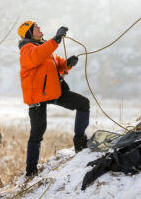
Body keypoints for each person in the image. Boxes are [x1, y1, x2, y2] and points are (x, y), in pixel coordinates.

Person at [17, 21, 90, 176]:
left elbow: (59, 65)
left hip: (52, 91)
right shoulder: (27, 49)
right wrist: (56, 39)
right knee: (37, 132)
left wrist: (68, 63)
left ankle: (80, 143)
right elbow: (37, 56)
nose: (40, 28)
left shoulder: (45, 48)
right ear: (29, 33)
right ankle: (31, 171)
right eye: (36, 27)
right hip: (37, 96)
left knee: (83, 104)